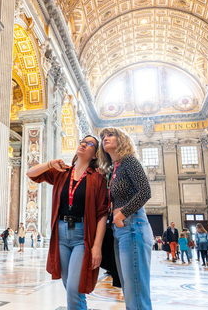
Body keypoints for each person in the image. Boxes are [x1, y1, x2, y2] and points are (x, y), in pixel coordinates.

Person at [27, 135, 107, 310]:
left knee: (74, 288)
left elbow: (102, 214)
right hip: (61, 235)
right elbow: (31, 173)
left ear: (95, 154)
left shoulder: (98, 178)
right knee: (68, 284)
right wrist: (50, 164)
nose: (84, 144)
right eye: (82, 141)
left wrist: (97, 246)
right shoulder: (62, 173)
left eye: (90, 143)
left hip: (82, 236)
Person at [98, 127, 153, 310]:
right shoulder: (115, 168)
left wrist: (122, 214)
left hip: (133, 225)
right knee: (129, 288)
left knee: (136, 290)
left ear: (121, 140)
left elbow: (145, 191)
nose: (105, 138)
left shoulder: (129, 161)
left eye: (110, 135)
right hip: (120, 230)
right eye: (103, 136)